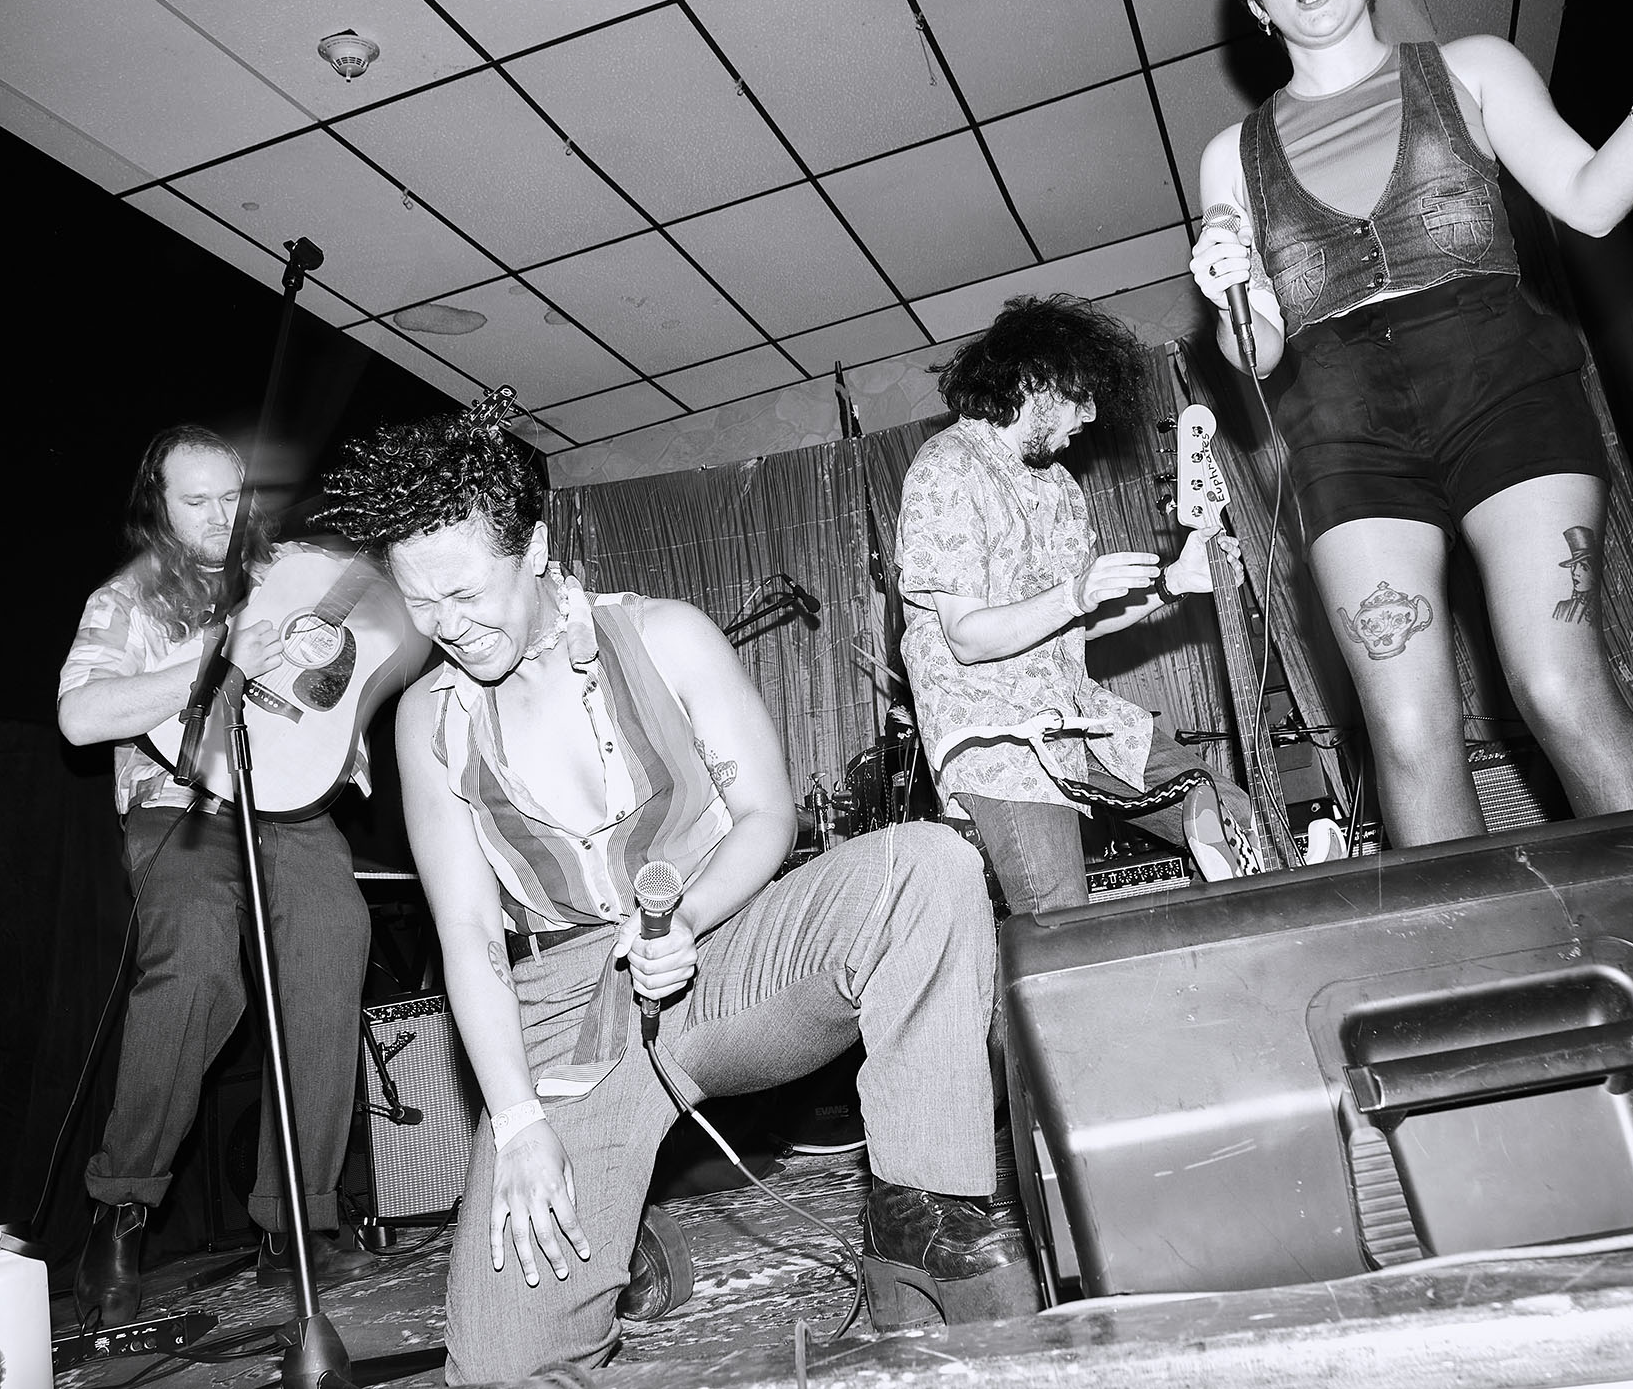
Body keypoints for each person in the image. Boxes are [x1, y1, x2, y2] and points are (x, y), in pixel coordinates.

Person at [314, 395, 1031, 1380]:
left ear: (531, 549)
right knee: (500, 1374)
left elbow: (766, 817)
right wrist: (517, 1121)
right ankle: (627, 1240)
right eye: (419, 602)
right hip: (560, 1024)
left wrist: (686, 917)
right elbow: (470, 932)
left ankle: (923, 1224)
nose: (447, 626)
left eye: (466, 593)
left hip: (721, 960)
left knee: (927, 868)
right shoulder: (425, 721)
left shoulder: (664, 636)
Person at [1189, 0, 1633, 847]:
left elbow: (1587, 200)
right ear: (1254, 0)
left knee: (1552, 681)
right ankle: (1469, 989)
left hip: (1501, 388)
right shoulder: (1226, 157)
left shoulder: (1470, 68)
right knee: (1408, 730)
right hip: (1343, 429)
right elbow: (1254, 355)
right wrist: (1230, 292)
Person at [56, 426, 373, 1327]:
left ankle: (294, 1225)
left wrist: (330, 672)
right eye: (195, 500)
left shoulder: (289, 572)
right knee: (194, 963)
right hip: (182, 809)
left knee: (331, 947)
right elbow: (81, 717)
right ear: (156, 501)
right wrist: (213, 663)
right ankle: (121, 1208)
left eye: (231, 497)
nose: (217, 517)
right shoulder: (127, 600)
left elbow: (359, 649)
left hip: (293, 808)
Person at [896, 294, 1260, 917]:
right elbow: (967, 637)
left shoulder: (1062, 488)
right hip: (1000, 744)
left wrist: (1173, 582)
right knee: (1061, 921)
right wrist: (1073, 592)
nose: (1089, 418)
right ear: (1035, 382)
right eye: (1079, 398)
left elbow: (1079, 627)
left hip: (1079, 717)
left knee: (1236, 820)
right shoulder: (947, 468)